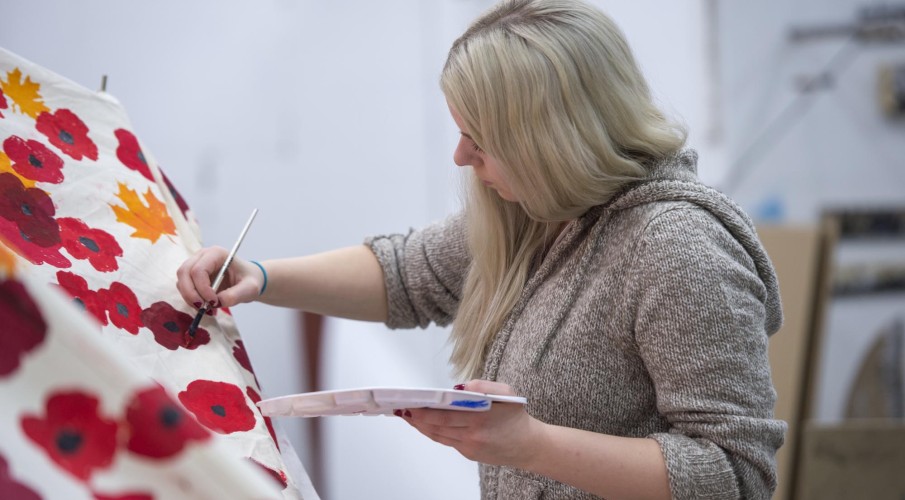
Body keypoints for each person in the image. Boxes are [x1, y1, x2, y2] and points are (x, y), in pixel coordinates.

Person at [176, 0, 786, 498]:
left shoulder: (679, 250)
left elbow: (735, 477)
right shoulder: (536, 213)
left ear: (553, 139)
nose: (461, 157)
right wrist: (258, 275)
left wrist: (528, 444)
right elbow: (406, 274)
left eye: (480, 139)